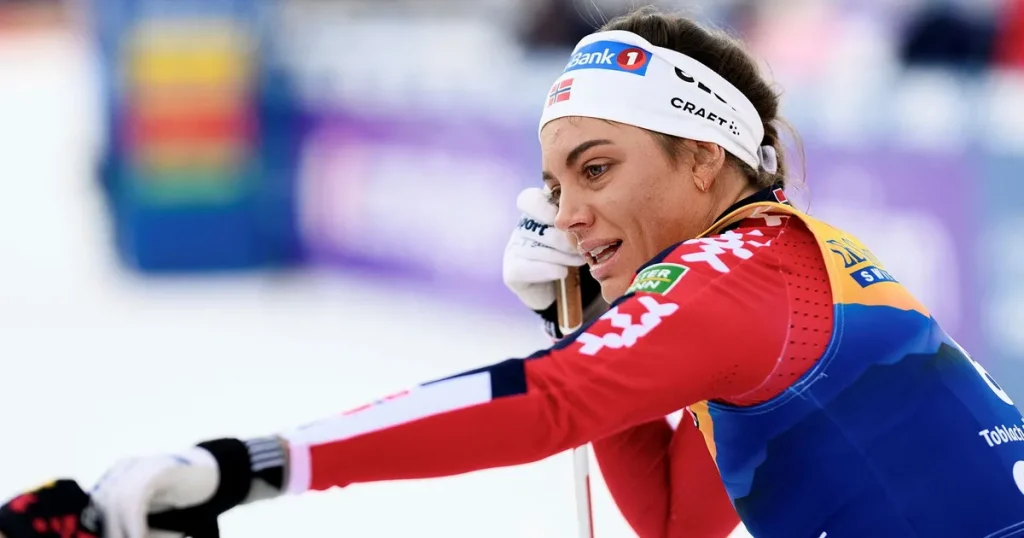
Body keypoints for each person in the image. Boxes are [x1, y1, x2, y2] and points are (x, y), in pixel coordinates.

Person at [3, 6, 1024, 538]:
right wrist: (582, 320)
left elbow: (548, 404)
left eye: (597, 168)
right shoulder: (777, 267)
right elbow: (677, 522)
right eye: (553, 182)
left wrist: (243, 465)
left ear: (702, 159)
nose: (566, 213)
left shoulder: (733, 277)